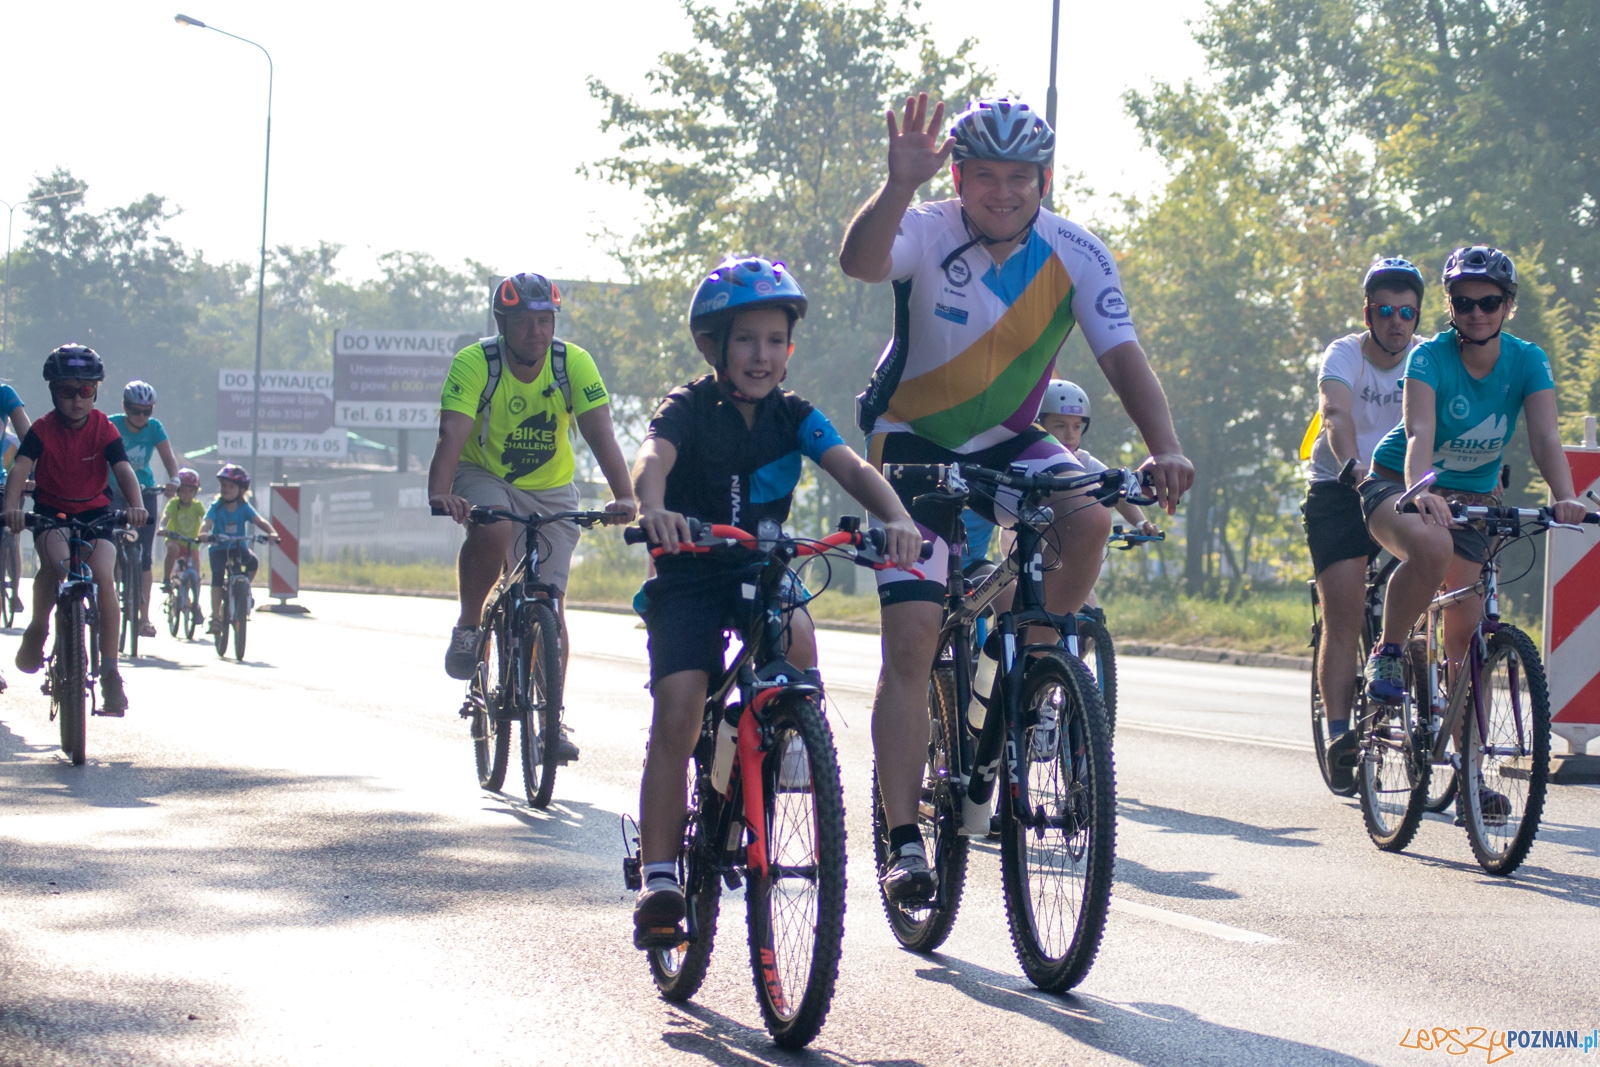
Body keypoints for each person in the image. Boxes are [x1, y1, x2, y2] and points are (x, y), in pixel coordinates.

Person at [838, 94, 1193, 901]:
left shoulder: (1077, 252)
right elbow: (860, 262)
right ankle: (902, 841)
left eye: (1021, 178)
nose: (1003, 192)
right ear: (958, 176)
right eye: (986, 176)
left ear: (1044, 180)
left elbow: (1123, 357)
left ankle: (1033, 664)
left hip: (1011, 437)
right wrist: (897, 184)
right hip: (914, 444)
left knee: (1091, 514)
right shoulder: (927, 226)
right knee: (913, 642)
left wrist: (1164, 443)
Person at [629, 256, 922, 945]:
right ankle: (662, 874)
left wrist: (898, 518)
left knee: (797, 636)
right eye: (746, 339)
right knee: (679, 708)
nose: (762, 354)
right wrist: (653, 508)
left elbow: (851, 466)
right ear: (714, 347)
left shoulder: (794, 417)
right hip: (689, 571)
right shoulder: (687, 407)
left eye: (774, 340)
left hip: (761, 566)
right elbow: (652, 459)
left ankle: (790, 738)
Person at [1360, 247, 1583, 815]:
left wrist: (1564, 497)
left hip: (1478, 497)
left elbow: (1545, 440)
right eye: (1464, 302)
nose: (1476, 313)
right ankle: (1388, 651)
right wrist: (1422, 490)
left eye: (1489, 302)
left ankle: (1469, 771)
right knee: (1430, 547)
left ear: (1508, 306)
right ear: (1451, 306)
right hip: (1400, 482)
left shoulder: (1528, 360)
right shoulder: (1430, 358)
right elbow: (1417, 433)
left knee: (1466, 637)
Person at [427, 273, 637, 761]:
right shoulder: (476, 363)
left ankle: (551, 720)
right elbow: (452, 434)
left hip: (552, 489)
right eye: (525, 322)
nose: (537, 333)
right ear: (503, 323)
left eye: (545, 321)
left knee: (550, 601)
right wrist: (440, 492)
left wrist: (625, 497)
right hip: (484, 475)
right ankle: (468, 626)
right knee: (494, 527)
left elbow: (600, 434)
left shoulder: (573, 364)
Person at [1304, 258, 1423, 785]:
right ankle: (1337, 735)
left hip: (1400, 487)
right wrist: (1354, 467)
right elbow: (1336, 413)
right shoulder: (1345, 353)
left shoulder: (1427, 358)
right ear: (1368, 313)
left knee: (1426, 590)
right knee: (1346, 608)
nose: (1396, 321)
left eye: (1407, 312)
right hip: (1340, 486)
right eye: (1386, 311)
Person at [3, 345, 147, 714]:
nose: (76, 400)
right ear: (53, 392)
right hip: (52, 513)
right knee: (57, 564)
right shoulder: (42, 428)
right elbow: (20, 468)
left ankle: (111, 671)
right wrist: (12, 510)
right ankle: (38, 628)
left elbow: (123, 470)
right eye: (67, 391)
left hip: (97, 514)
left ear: (96, 392)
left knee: (103, 575)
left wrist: (136, 506)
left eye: (85, 391)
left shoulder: (105, 428)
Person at [108, 380, 182, 639]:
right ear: (125, 407)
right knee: (110, 545)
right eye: (135, 410)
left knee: (145, 556)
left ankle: (143, 618)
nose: (141, 416)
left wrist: (175, 480)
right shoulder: (111, 424)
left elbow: (169, 459)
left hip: (144, 492)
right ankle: (113, 588)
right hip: (114, 492)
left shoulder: (155, 428)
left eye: (146, 411)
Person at [199, 464, 277, 629]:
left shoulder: (244, 507)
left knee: (253, 563)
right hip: (219, 549)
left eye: (231, 486)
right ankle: (215, 616)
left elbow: (259, 521)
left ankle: (244, 589)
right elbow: (207, 522)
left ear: (241, 490)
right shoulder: (216, 507)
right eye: (223, 486)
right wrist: (203, 533)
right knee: (217, 578)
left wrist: (272, 532)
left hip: (237, 547)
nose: (226, 489)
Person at [0, 379, 32, 616]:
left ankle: (14, 589)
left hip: (4, 482)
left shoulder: (5, 393)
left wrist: (37, 474)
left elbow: (31, 441)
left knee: (13, 531)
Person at [161, 468, 206, 622]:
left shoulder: (198, 506)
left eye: (190, 491)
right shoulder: (174, 504)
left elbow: (206, 520)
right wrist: (163, 528)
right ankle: (167, 579)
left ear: (195, 492)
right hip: (176, 542)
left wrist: (207, 532)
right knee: (171, 548)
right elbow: (165, 518)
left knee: (196, 575)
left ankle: (196, 605)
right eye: (183, 491)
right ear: (178, 491)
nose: (186, 494)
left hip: (192, 545)